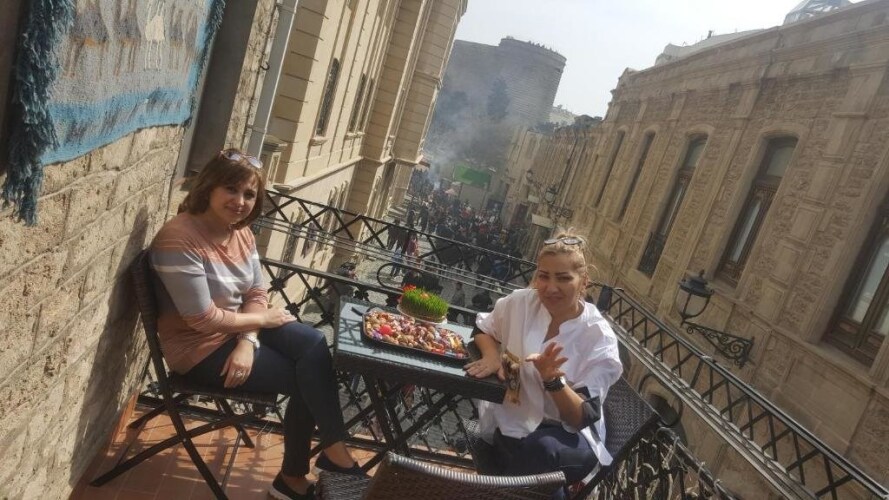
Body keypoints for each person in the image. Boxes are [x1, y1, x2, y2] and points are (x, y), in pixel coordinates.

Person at [150, 149, 364, 500]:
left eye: (249, 194)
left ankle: (331, 454)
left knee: (313, 343)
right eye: (231, 189)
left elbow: (256, 291)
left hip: (237, 331)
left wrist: (247, 340)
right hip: (198, 348)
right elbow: (201, 318)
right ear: (209, 187)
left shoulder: (240, 233)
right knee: (306, 377)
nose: (240, 201)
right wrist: (261, 321)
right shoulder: (180, 238)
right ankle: (299, 475)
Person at [463, 231, 622, 499]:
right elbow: (483, 328)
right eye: (544, 276)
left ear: (584, 282)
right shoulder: (521, 303)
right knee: (539, 478)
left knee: (540, 451)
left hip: (570, 438)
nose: (550, 287)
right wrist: (491, 355)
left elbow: (581, 417)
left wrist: (553, 381)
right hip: (515, 421)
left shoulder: (598, 337)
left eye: (563, 278)